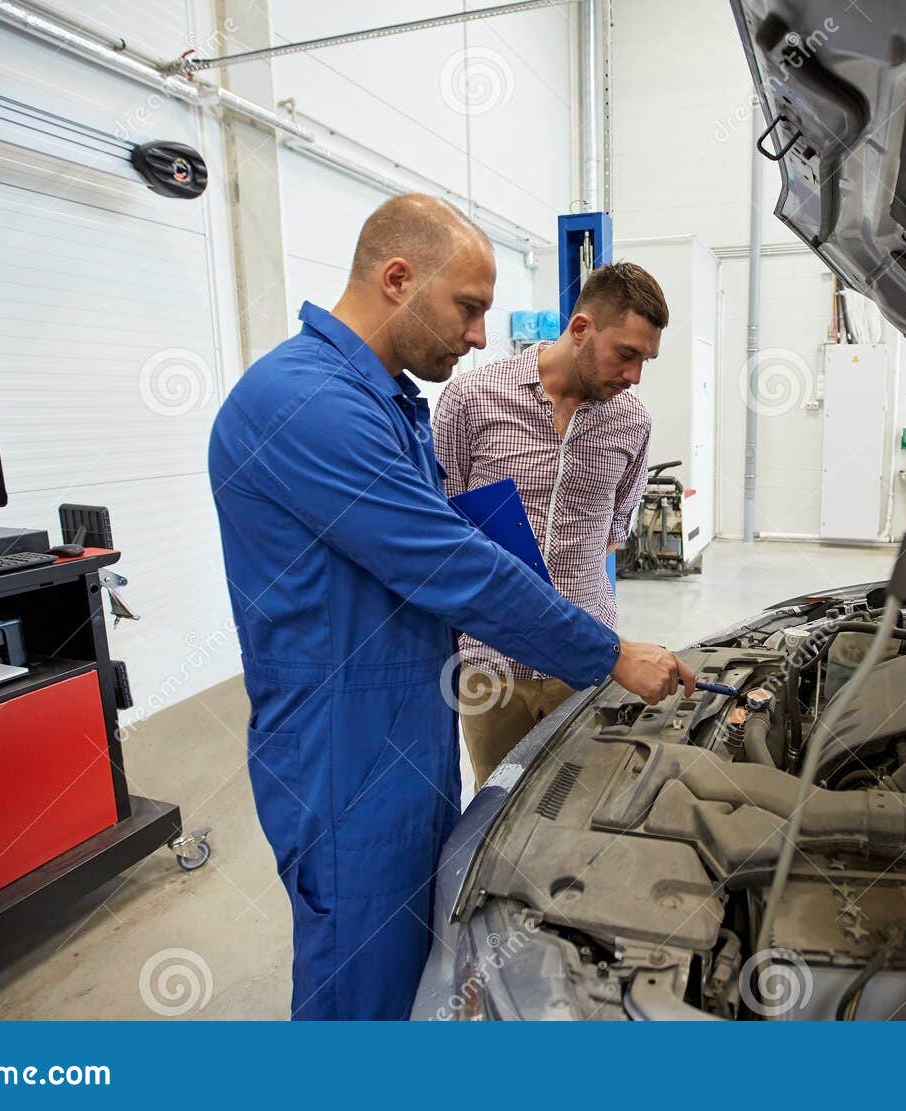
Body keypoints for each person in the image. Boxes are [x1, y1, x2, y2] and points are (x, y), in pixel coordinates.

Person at [207, 194, 693, 1021]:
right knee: (359, 977)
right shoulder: (306, 403)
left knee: (416, 954)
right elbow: (452, 562)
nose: (477, 335)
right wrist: (611, 653)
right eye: (468, 308)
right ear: (398, 279)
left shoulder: (383, 400)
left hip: (407, 717)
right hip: (345, 747)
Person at [432, 261, 667, 787]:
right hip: (491, 664)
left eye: (645, 360)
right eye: (626, 355)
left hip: (586, 661)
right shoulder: (470, 400)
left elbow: (613, 534)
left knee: (580, 804)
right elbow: (440, 525)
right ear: (581, 329)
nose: (634, 376)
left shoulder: (633, 421)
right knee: (496, 805)